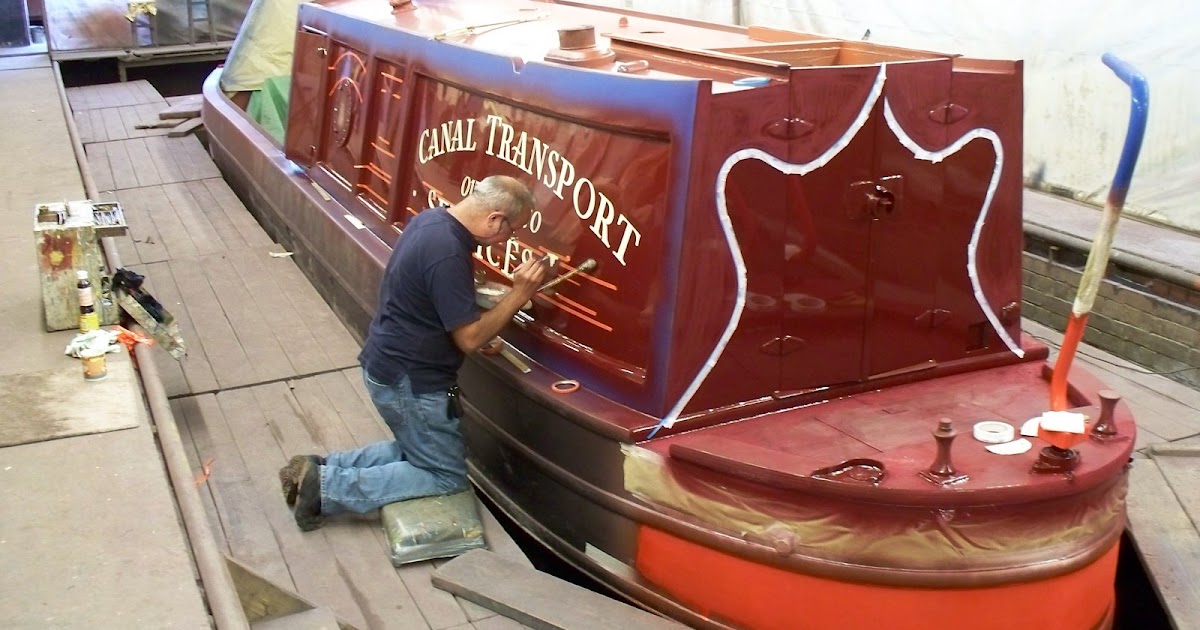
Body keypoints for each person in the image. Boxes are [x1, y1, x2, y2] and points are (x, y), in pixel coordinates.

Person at [279, 175, 551, 531]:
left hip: (390, 363)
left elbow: (442, 311)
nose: (507, 239)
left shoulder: (432, 221)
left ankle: (321, 467)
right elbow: (468, 339)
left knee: (416, 448)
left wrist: (486, 331)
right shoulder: (449, 252)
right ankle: (328, 488)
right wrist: (519, 294)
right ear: (495, 218)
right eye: (511, 231)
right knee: (444, 475)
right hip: (413, 381)